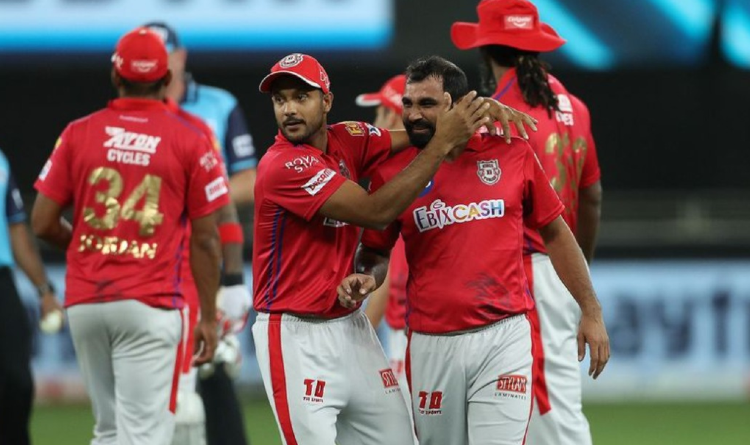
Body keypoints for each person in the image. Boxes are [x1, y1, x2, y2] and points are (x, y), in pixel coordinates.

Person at [251, 52, 536, 445]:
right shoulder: (283, 165)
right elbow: (375, 211)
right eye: (280, 100)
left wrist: (473, 113)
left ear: (327, 101)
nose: (289, 109)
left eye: (301, 96)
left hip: (349, 326)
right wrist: (443, 143)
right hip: (294, 333)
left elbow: (423, 133)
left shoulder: (348, 138)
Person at [338, 56, 609, 445]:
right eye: (409, 104)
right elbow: (376, 252)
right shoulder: (393, 173)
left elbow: (556, 233)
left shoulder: (511, 153)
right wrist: (368, 274)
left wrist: (591, 310)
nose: (413, 114)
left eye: (426, 104)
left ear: (458, 105)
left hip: (504, 337)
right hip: (433, 344)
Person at [30, 27, 228, 445]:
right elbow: (207, 240)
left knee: (109, 431)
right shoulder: (190, 138)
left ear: (116, 76)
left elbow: (42, 222)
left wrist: (87, 246)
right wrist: (208, 315)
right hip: (150, 300)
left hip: (86, 301)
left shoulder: (79, 132)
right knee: (145, 436)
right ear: (164, 80)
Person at [451, 1, 603, 443]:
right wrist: (579, 278)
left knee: (549, 414)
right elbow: (592, 196)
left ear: (486, 50)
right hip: (557, 272)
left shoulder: (496, 116)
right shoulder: (574, 107)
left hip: (519, 277)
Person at [144, 21, 256, 445]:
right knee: (161, 377)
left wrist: (202, 190)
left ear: (180, 55)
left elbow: (251, 181)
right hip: (153, 258)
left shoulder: (217, 105)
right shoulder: (137, 115)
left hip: (202, 253)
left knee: (209, 372)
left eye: (164, 54)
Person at [0, 149, 62, 445]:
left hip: (1, 282)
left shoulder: (0, 160)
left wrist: (44, 289)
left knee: (17, 382)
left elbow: (16, 230)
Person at [355, 73, 411, 395]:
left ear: (392, 115)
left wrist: (361, 342)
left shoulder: (396, 178)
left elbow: (388, 275)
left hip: (409, 335)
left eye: (379, 112)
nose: (374, 121)